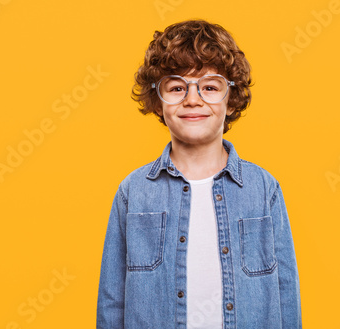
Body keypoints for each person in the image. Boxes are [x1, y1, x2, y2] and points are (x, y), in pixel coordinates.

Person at [96, 19, 302, 329]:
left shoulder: (263, 189)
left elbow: (286, 293)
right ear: (158, 99)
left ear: (231, 99)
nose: (193, 99)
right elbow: (112, 299)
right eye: (177, 87)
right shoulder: (133, 192)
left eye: (209, 87)